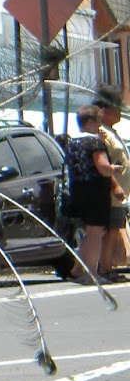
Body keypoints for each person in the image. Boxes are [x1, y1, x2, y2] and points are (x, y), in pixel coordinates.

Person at [64, 105, 123, 282]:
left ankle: (77, 269)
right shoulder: (94, 142)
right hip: (94, 192)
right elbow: (103, 167)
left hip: (77, 190)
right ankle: (91, 273)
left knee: (89, 233)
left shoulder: (72, 142)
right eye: (98, 121)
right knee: (95, 233)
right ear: (90, 122)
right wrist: (115, 168)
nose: (100, 125)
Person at [95, 96, 128, 275]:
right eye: (115, 109)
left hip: (121, 195)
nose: (119, 113)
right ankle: (105, 268)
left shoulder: (111, 131)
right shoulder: (103, 134)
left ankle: (108, 266)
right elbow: (104, 163)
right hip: (112, 194)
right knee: (110, 231)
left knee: (115, 230)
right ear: (105, 112)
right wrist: (114, 185)